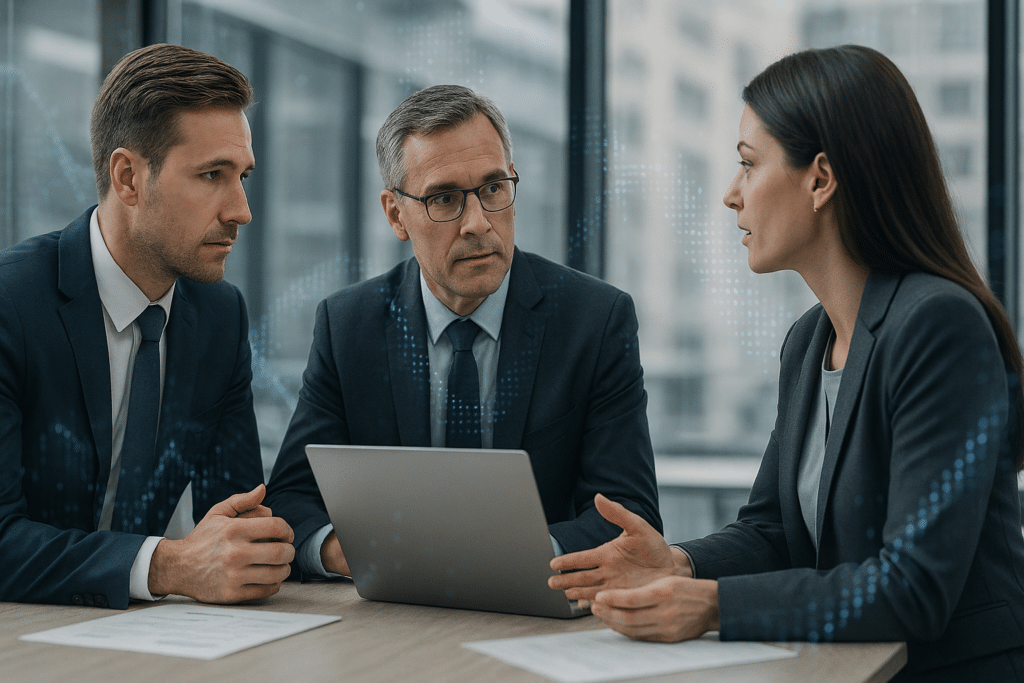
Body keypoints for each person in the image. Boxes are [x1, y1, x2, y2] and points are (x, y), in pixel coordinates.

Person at [548, 45, 1024, 681]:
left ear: (821, 179)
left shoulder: (939, 324)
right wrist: (679, 566)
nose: (730, 194)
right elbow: (773, 530)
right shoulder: (808, 340)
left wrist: (712, 607)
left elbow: (915, 587)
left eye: (748, 165)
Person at [265, 84, 661, 579]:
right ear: (395, 214)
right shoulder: (349, 325)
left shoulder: (594, 320)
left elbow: (630, 515)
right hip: (394, 616)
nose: (477, 223)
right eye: (445, 199)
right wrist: (344, 550)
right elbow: (290, 499)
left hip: (537, 612)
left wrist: (510, 555)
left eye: (494, 189)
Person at [0, 43, 294, 609]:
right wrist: (170, 564)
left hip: (148, 640)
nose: (241, 210)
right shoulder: (13, 304)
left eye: (243, 177)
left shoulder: (218, 316)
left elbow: (236, 512)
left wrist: (255, 551)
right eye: (212, 175)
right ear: (128, 178)